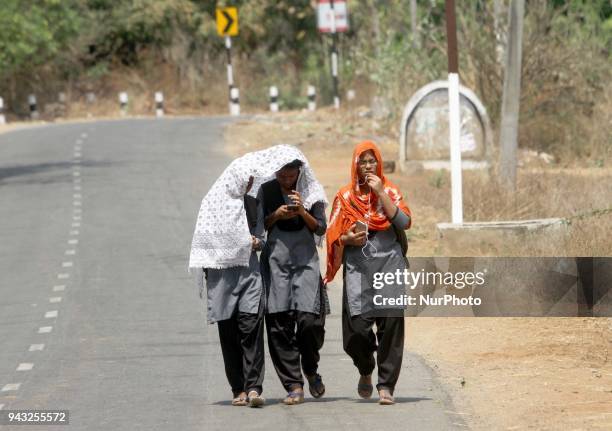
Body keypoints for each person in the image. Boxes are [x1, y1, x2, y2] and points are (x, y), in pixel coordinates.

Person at [189, 145, 321, 407]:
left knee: (257, 328)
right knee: (231, 333)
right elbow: (204, 243)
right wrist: (234, 243)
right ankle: (241, 389)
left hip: (250, 273)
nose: (249, 182)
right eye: (245, 178)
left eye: (251, 178)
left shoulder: (253, 202)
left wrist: (253, 242)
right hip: (222, 277)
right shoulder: (212, 204)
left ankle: (256, 387)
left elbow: (260, 236)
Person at [325, 140, 412, 405]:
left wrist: (381, 194)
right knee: (357, 332)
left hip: (389, 265)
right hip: (358, 270)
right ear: (355, 166)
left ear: (379, 163)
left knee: (391, 325)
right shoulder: (345, 197)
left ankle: (386, 386)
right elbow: (332, 233)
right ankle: (365, 368)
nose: (367, 166)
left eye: (371, 161)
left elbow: (405, 222)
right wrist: (346, 239)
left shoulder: (391, 190)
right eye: (362, 161)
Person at [258, 155, 329, 405]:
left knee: (310, 322)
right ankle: (294, 385)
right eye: (282, 176)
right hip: (277, 263)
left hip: (306, 262)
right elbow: (259, 225)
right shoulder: (266, 191)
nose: (286, 180)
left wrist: (301, 211)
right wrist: (276, 215)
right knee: (280, 323)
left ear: (300, 172)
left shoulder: (311, 190)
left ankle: (310, 369)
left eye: (291, 176)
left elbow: (320, 228)